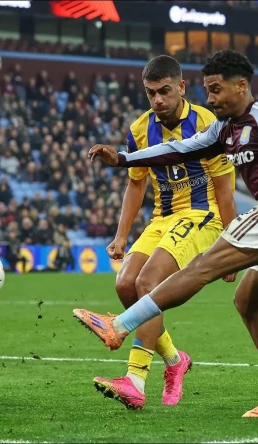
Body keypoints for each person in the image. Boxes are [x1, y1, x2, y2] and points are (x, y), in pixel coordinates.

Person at [73, 50, 258, 418]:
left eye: (216, 90)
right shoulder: (222, 130)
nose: (210, 99)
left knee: (201, 267)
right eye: (207, 91)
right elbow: (178, 149)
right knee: (246, 301)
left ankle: (118, 326)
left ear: (241, 85)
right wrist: (123, 158)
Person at [93, 55, 236, 411]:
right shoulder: (140, 128)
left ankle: (135, 380)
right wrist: (121, 234)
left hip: (203, 214)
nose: (158, 99)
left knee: (148, 283)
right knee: (125, 285)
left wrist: (232, 245)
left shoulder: (208, 121)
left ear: (181, 88)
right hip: (162, 218)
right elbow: (135, 185)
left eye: (164, 91)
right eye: (151, 93)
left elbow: (224, 188)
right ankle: (174, 361)